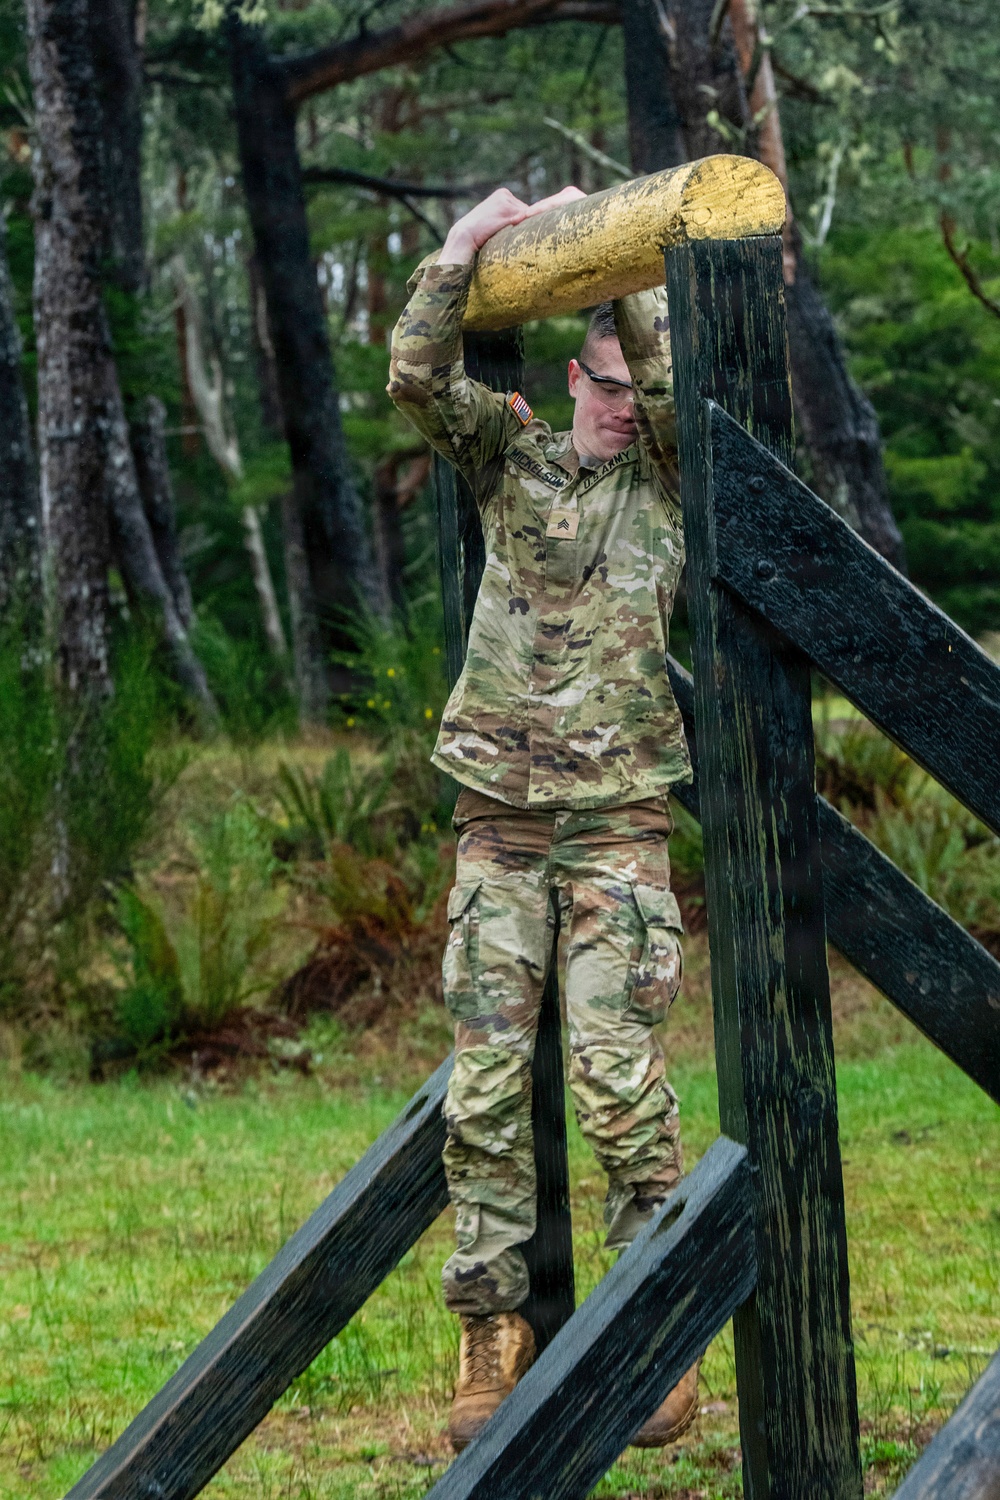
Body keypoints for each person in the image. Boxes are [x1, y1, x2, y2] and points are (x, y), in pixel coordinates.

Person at [387, 186, 698, 1452]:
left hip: (617, 822)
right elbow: (416, 379)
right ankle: (490, 1327)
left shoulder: (674, 474)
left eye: (639, 385)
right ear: (575, 377)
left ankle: (657, 1327)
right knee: (485, 1092)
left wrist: (621, 248)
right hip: (499, 823)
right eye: (611, 384)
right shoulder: (506, 456)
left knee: (619, 1085)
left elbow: (675, 387)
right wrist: (465, 248)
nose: (626, 407)